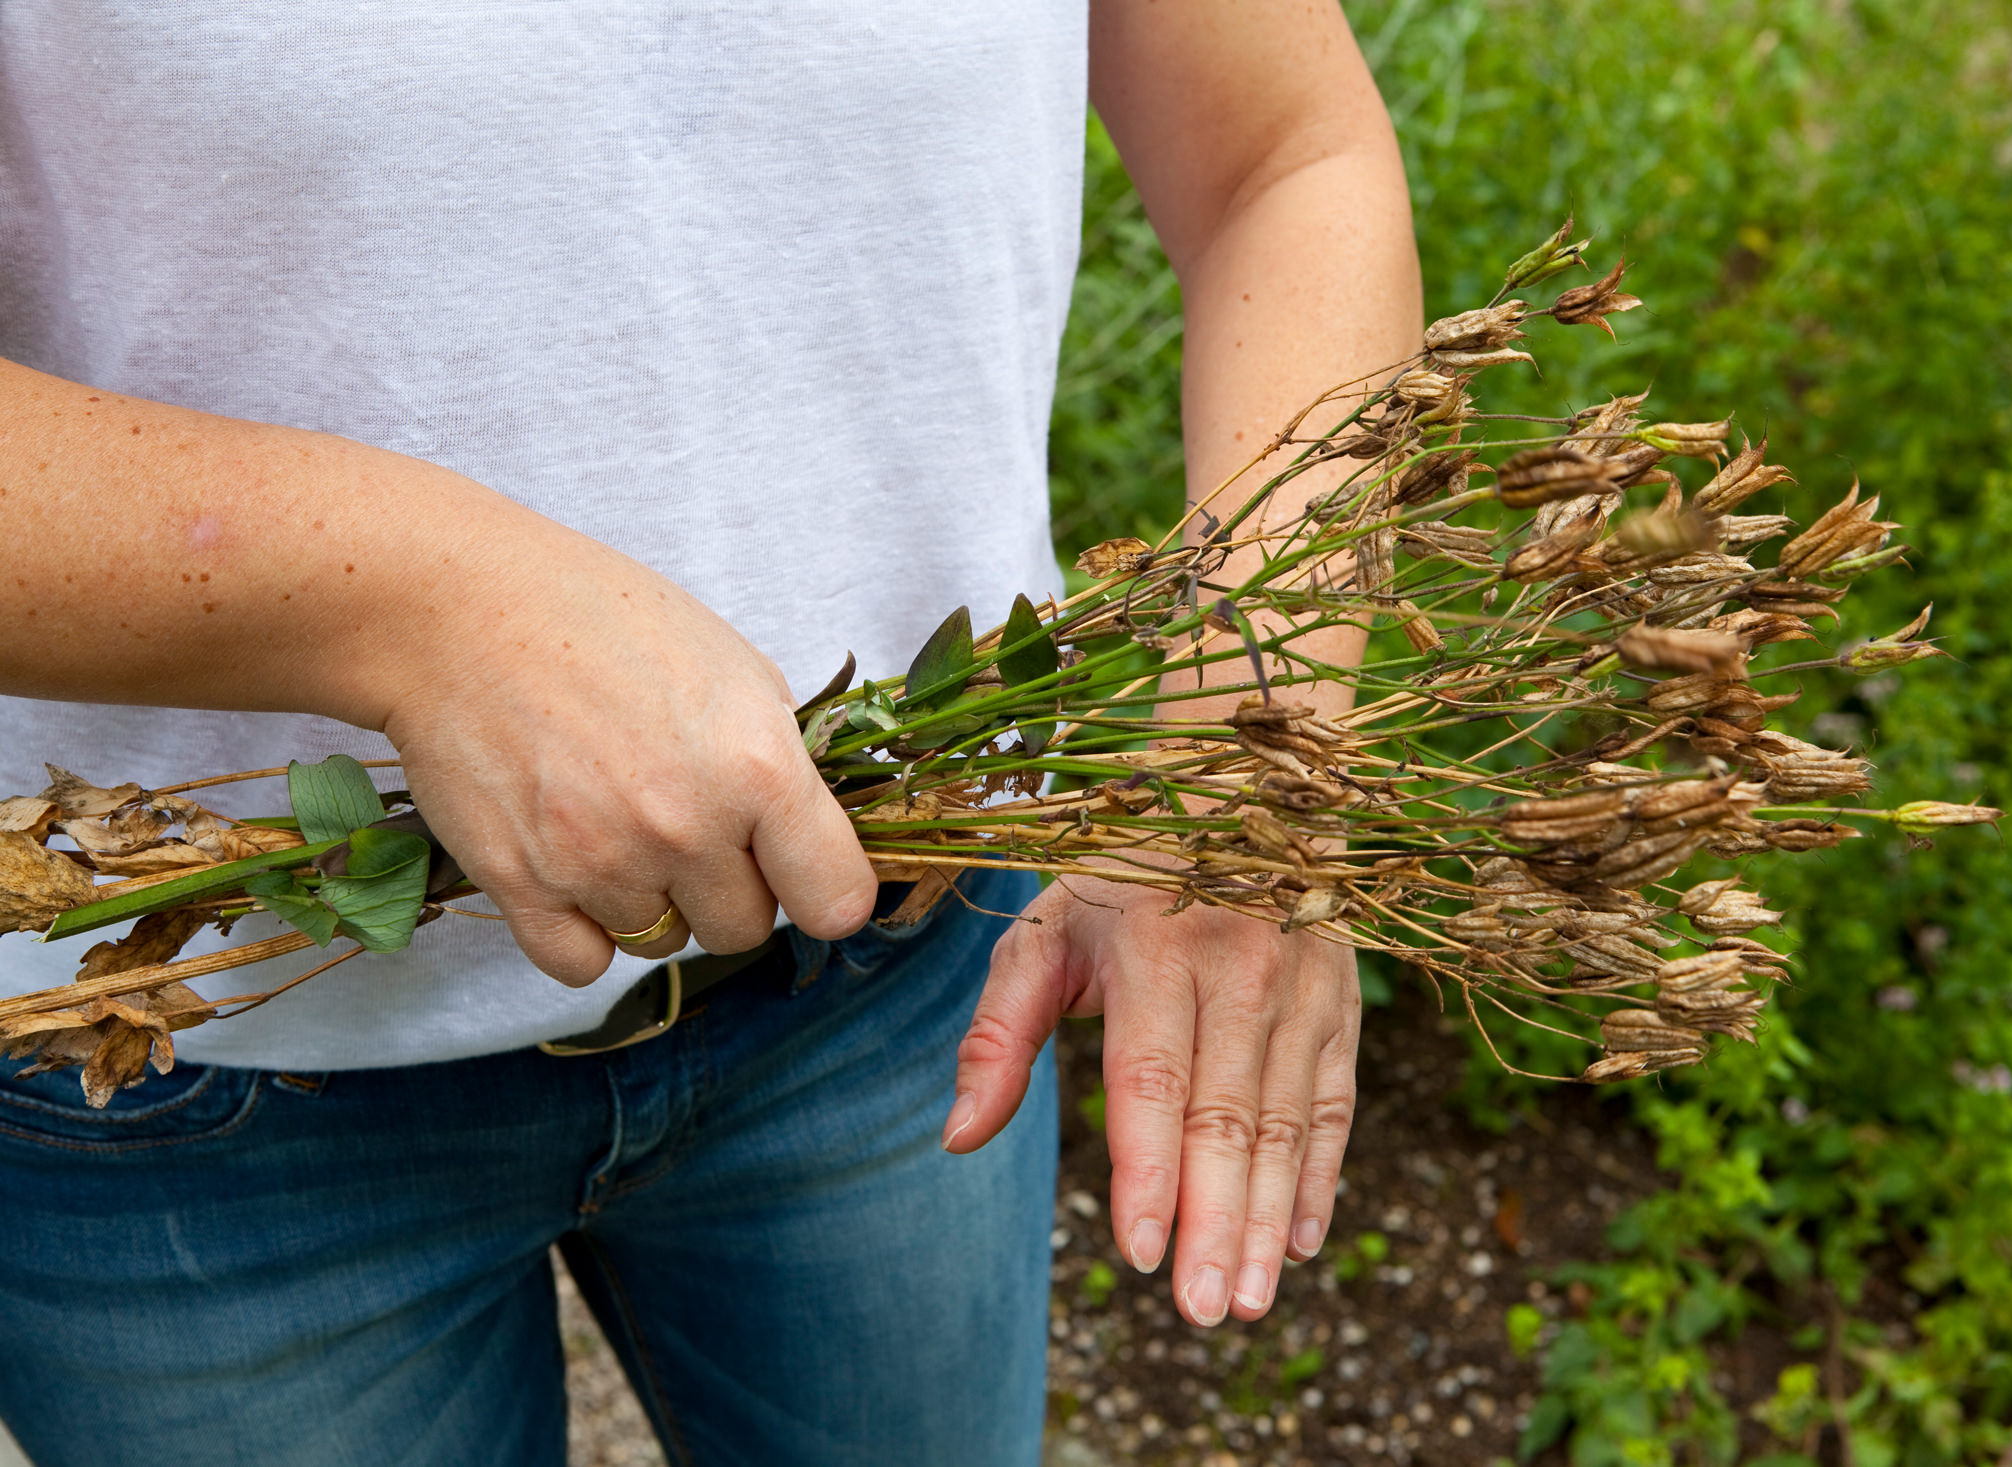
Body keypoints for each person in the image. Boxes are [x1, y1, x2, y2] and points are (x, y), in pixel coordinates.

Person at [0, 3, 1419, 1462]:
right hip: (192, 1072)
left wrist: (1253, 761)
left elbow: (1283, 158)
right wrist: (429, 607)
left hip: (897, 978)